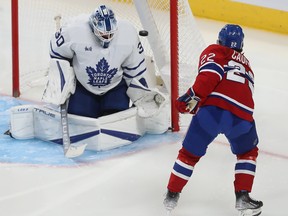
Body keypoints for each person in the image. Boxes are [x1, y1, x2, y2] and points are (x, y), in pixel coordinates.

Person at [163, 24, 263, 216]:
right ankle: (243, 198)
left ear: (220, 41)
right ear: (241, 46)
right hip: (242, 117)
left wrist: (190, 97)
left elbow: (210, 75)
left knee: (188, 155)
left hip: (213, 111)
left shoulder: (215, 50)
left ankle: (170, 198)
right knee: (248, 152)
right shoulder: (247, 65)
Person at [46, 4, 163, 118]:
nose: (107, 38)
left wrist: (142, 96)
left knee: (115, 120)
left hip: (115, 87)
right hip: (83, 86)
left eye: (110, 34)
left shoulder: (128, 33)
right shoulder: (74, 30)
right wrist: (61, 78)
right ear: (92, 27)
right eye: (102, 33)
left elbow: (135, 69)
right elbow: (56, 53)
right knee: (80, 118)